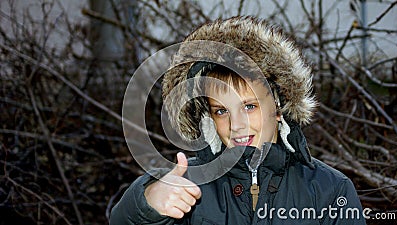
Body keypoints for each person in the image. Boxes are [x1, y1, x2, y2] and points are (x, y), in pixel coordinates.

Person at [110, 16, 366, 225]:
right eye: (221, 111)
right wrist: (146, 204)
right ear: (208, 118)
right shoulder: (188, 188)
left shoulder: (330, 190)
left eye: (250, 106)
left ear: (279, 108)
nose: (237, 125)